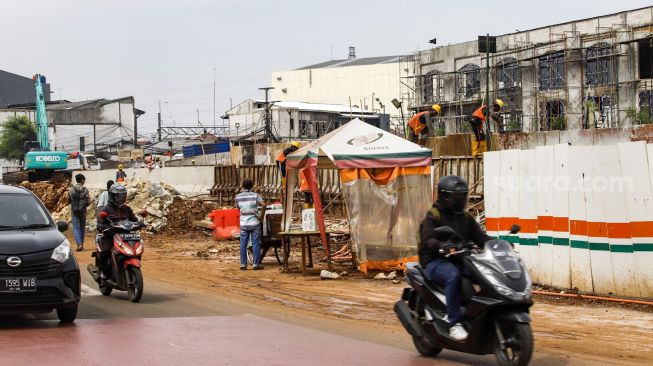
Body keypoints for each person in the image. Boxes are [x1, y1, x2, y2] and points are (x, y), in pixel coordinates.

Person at [419, 175, 491, 341]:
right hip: (435, 261)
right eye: (455, 197)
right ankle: (454, 323)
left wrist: (501, 243)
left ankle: (479, 314)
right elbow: (428, 238)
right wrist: (441, 246)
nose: (459, 201)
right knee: (453, 275)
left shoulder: (465, 218)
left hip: (460, 259)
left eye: (462, 197)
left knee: (484, 274)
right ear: (444, 196)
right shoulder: (434, 216)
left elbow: (481, 238)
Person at [97, 185, 138, 279]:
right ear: (111, 196)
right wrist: (102, 227)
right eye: (117, 196)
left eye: (122, 196)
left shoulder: (127, 208)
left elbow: (134, 220)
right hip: (110, 235)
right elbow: (100, 222)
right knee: (106, 251)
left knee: (135, 248)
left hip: (125, 235)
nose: (120, 198)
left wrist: (138, 224)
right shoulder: (106, 209)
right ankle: (102, 270)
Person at [235, 178, 266, 270]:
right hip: (254, 223)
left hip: (243, 223)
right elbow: (264, 204)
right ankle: (256, 264)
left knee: (243, 244)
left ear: (242, 186)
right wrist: (262, 216)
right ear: (252, 186)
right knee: (256, 243)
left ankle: (243, 264)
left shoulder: (238, 197)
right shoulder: (255, 195)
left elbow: (238, 208)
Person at [69, 173, 90, 251]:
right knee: (82, 227)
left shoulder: (71, 189)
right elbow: (88, 201)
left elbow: (69, 200)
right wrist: (84, 206)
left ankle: (79, 244)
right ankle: (81, 244)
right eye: (84, 180)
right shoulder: (85, 189)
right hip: (83, 210)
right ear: (82, 180)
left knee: (75, 227)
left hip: (74, 210)